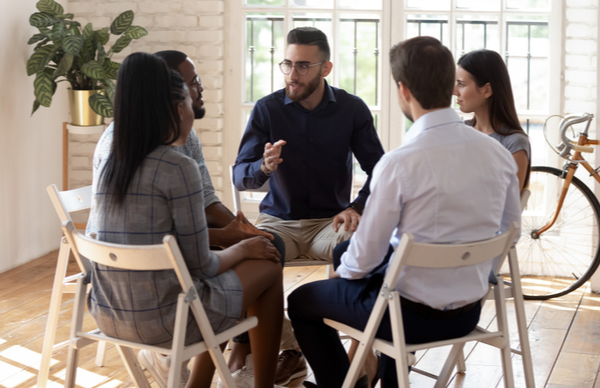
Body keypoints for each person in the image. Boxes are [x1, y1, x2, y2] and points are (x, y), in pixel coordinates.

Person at [287, 36, 522, 388]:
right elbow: (511, 230)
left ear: (403, 90)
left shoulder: (398, 163)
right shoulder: (497, 154)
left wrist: (343, 275)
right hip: (468, 312)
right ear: (448, 85)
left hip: (403, 319)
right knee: (369, 265)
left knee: (302, 300)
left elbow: (364, 257)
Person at [88, 52, 285, 388]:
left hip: (107, 314)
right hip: (168, 321)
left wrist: (238, 241)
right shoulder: (177, 167)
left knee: (251, 259)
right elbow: (203, 267)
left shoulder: (112, 164)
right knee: (266, 265)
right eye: (190, 98)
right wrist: (244, 248)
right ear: (179, 109)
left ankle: (211, 377)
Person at [231, 27, 385, 385]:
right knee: (255, 254)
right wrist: (263, 167)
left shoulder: (351, 109)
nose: (292, 74)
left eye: (302, 66)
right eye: (287, 64)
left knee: (357, 251)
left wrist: (357, 207)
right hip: (279, 220)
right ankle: (275, 345)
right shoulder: (267, 109)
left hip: (330, 222)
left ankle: (356, 354)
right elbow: (241, 176)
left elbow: (380, 170)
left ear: (325, 68)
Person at [455, 49, 531, 191]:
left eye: (462, 84)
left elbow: (509, 205)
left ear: (487, 90)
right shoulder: (459, 132)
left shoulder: (513, 143)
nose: (454, 91)